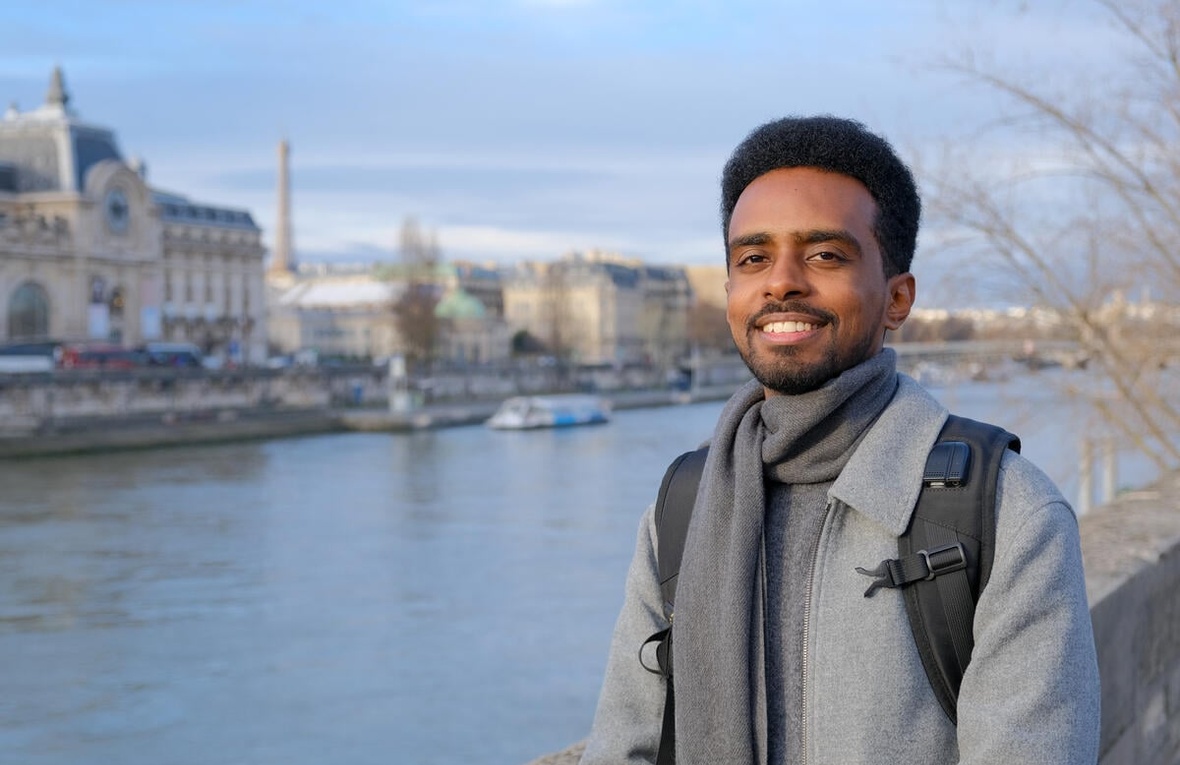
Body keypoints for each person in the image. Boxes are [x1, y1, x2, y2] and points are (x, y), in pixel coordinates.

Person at [580, 116, 1100, 764]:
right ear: (730, 294)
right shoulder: (681, 507)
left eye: (825, 254)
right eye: (753, 258)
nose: (781, 282)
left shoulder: (1009, 513)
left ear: (897, 298)